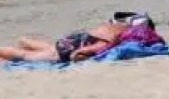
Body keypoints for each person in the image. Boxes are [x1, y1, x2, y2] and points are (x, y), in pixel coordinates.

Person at [0, 19, 128, 64]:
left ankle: (24, 41)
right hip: (67, 50)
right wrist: (77, 57)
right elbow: (79, 53)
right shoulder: (108, 42)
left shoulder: (113, 26)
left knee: (51, 48)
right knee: (26, 56)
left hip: (73, 39)